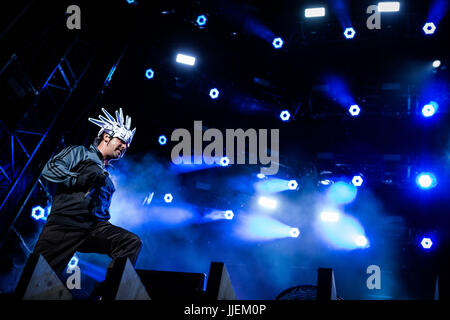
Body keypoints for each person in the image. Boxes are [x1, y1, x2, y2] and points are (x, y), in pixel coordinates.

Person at [33, 108, 141, 293]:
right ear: (106, 137)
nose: (124, 147)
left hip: (93, 228)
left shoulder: (107, 177)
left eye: (127, 145)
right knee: (37, 281)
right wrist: (77, 179)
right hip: (64, 226)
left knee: (130, 242)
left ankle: (108, 292)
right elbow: (49, 169)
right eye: (121, 141)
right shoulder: (80, 153)